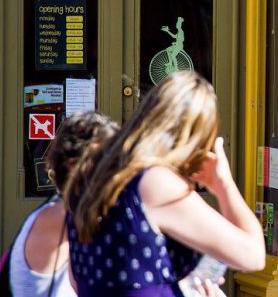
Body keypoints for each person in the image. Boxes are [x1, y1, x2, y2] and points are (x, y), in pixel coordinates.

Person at [64, 72, 265, 296]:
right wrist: (223, 185)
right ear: (193, 139)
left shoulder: (89, 174)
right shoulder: (155, 183)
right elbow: (253, 256)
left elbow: (77, 278)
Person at [0, 112, 119, 297]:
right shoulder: (58, 216)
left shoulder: (63, 210)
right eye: (107, 160)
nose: (117, 169)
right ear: (73, 165)